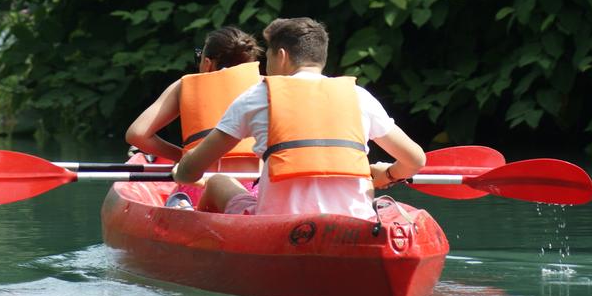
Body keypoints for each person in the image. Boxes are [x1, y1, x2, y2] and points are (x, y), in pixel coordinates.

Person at [172, 17, 426, 218]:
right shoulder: (358, 96)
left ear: (281, 56)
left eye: (268, 55)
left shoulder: (258, 96)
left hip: (277, 223)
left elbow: (189, 173)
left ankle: (205, 242)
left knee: (218, 181)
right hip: (355, 220)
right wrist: (389, 174)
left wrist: (181, 167)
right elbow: (415, 159)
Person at [126, 26, 264, 206]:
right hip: (252, 191)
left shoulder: (183, 86)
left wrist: (186, 158)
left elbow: (136, 134)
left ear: (207, 63)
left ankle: (183, 208)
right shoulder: (265, 87)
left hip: (198, 188)